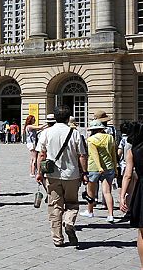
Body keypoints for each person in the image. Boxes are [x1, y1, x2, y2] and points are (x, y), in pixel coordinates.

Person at [36, 105, 88, 248]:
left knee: (54, 206)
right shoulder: (75, 133)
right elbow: (82, 155)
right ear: (67, 118)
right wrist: (84, 173)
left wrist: (39, 173)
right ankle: (69, 222)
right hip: (72, 175)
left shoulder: (46, 132)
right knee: (72, 203)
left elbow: (41, 155)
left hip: (52, 175)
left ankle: (57, 239)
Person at [82, 120, 118, 223]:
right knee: (107, 192)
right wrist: (115, 168)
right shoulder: (110, 138)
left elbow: (94, 155)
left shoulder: (91, 140)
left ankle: (90, 211)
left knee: (91, 191)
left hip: (93, 168)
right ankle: (110, 215)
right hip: (109, 167)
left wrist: (99, 167)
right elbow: (113, 154)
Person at [119, 121, 143, 270]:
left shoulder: (133, 151)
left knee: (142, 231)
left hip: (142, 189)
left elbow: (127, 175)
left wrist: (122, 196)